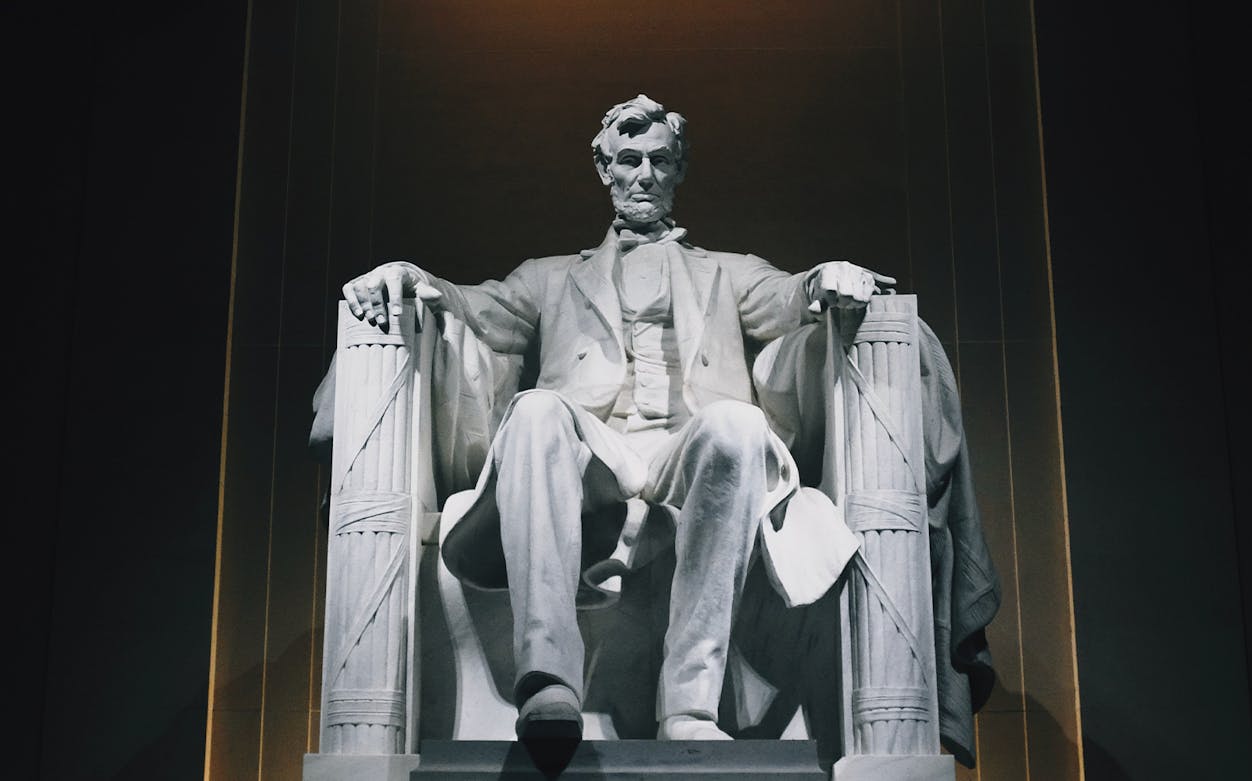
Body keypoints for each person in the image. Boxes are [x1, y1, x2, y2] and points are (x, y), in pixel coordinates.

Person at [333, 95, 997, 753]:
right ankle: (548, 680)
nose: (643, 174)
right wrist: (414, 276)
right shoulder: (550, 277)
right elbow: (480, 307)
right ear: (604, 170)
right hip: (590, 452)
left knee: (739, 424)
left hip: (689, 447)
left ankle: (688, 700)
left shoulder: (731, 273)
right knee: (533, 409)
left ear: (678, 169)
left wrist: (828, 275)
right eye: (628, 160)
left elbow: (789, 295)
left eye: (658, 160)